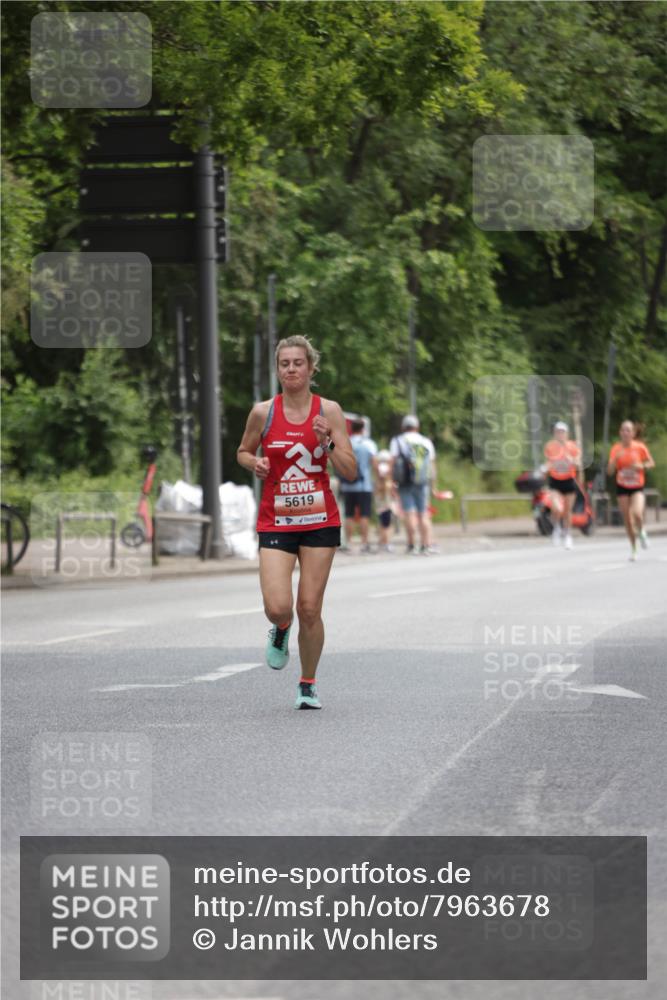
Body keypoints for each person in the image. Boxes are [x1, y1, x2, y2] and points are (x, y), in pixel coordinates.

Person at [237, 335, 357, 709]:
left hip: (320, 521)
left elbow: (351, 471)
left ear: (311, 368)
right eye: (284, 363)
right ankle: (280, 628)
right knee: (278, 606)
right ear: (278, 369)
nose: (291, 369)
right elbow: (243, 450)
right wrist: (253, 463)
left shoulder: (330, 411)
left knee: (309, 607)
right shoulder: (263, 412)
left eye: (297, 363)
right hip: (276, 520)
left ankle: (307, 683)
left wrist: (328, 443)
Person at [607, 420, 655, 561]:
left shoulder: (640, 447)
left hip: (637, 486)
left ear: (633, 433)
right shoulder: (616, 449)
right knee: (627, 520)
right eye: (623, 430)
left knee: (637, 513)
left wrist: (640, 466)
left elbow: (651, 463)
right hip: (622, 486)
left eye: (628, 430)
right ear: (620, 433)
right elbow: (609, 472)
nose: (625, 432)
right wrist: (614, 461)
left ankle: (642, 532)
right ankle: (634, 549)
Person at [390, 414, 437, 554]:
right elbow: (432, 465)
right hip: (423, 482)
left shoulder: (397, 440)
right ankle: (426, 545)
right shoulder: (426, 441)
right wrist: (433, 486)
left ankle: (411, 546)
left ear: (403, 427)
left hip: (404, 482)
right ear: (417, 427)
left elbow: (392, 462)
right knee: (423, 513)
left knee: (409, 513)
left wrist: (392, 482)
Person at [339, 418, 378, 552]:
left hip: (347, 484)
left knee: (348, 514)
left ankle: (348, 543)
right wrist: (377, 480)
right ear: (363, 429)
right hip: (364, 485)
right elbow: (374, 463)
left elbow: (333, 452)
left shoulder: (345, 442)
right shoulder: (369, 444)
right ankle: (364, 543)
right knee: (364, 514)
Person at [543, 420, 581, 549]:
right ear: (554, 433)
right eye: (558, 432)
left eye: (562, 432)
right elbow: (549, 462)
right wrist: (544, 468)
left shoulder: (572, 446)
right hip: (555, 480)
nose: (560, 434)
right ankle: (557, 528)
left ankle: (568, 535)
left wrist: (572, 460)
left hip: (569, 480)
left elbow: (578, 463)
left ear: (566, 433)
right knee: (556, 508)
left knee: (567, 511)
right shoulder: (550, 446)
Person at [374, 449, 397, 552]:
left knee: (382, 520)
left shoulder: (378, 467)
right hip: (385, 498)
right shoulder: (385, 468)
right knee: (386, 521)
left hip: (380, 497)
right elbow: (386, 482)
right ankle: (386, 542)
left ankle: (382, 541)